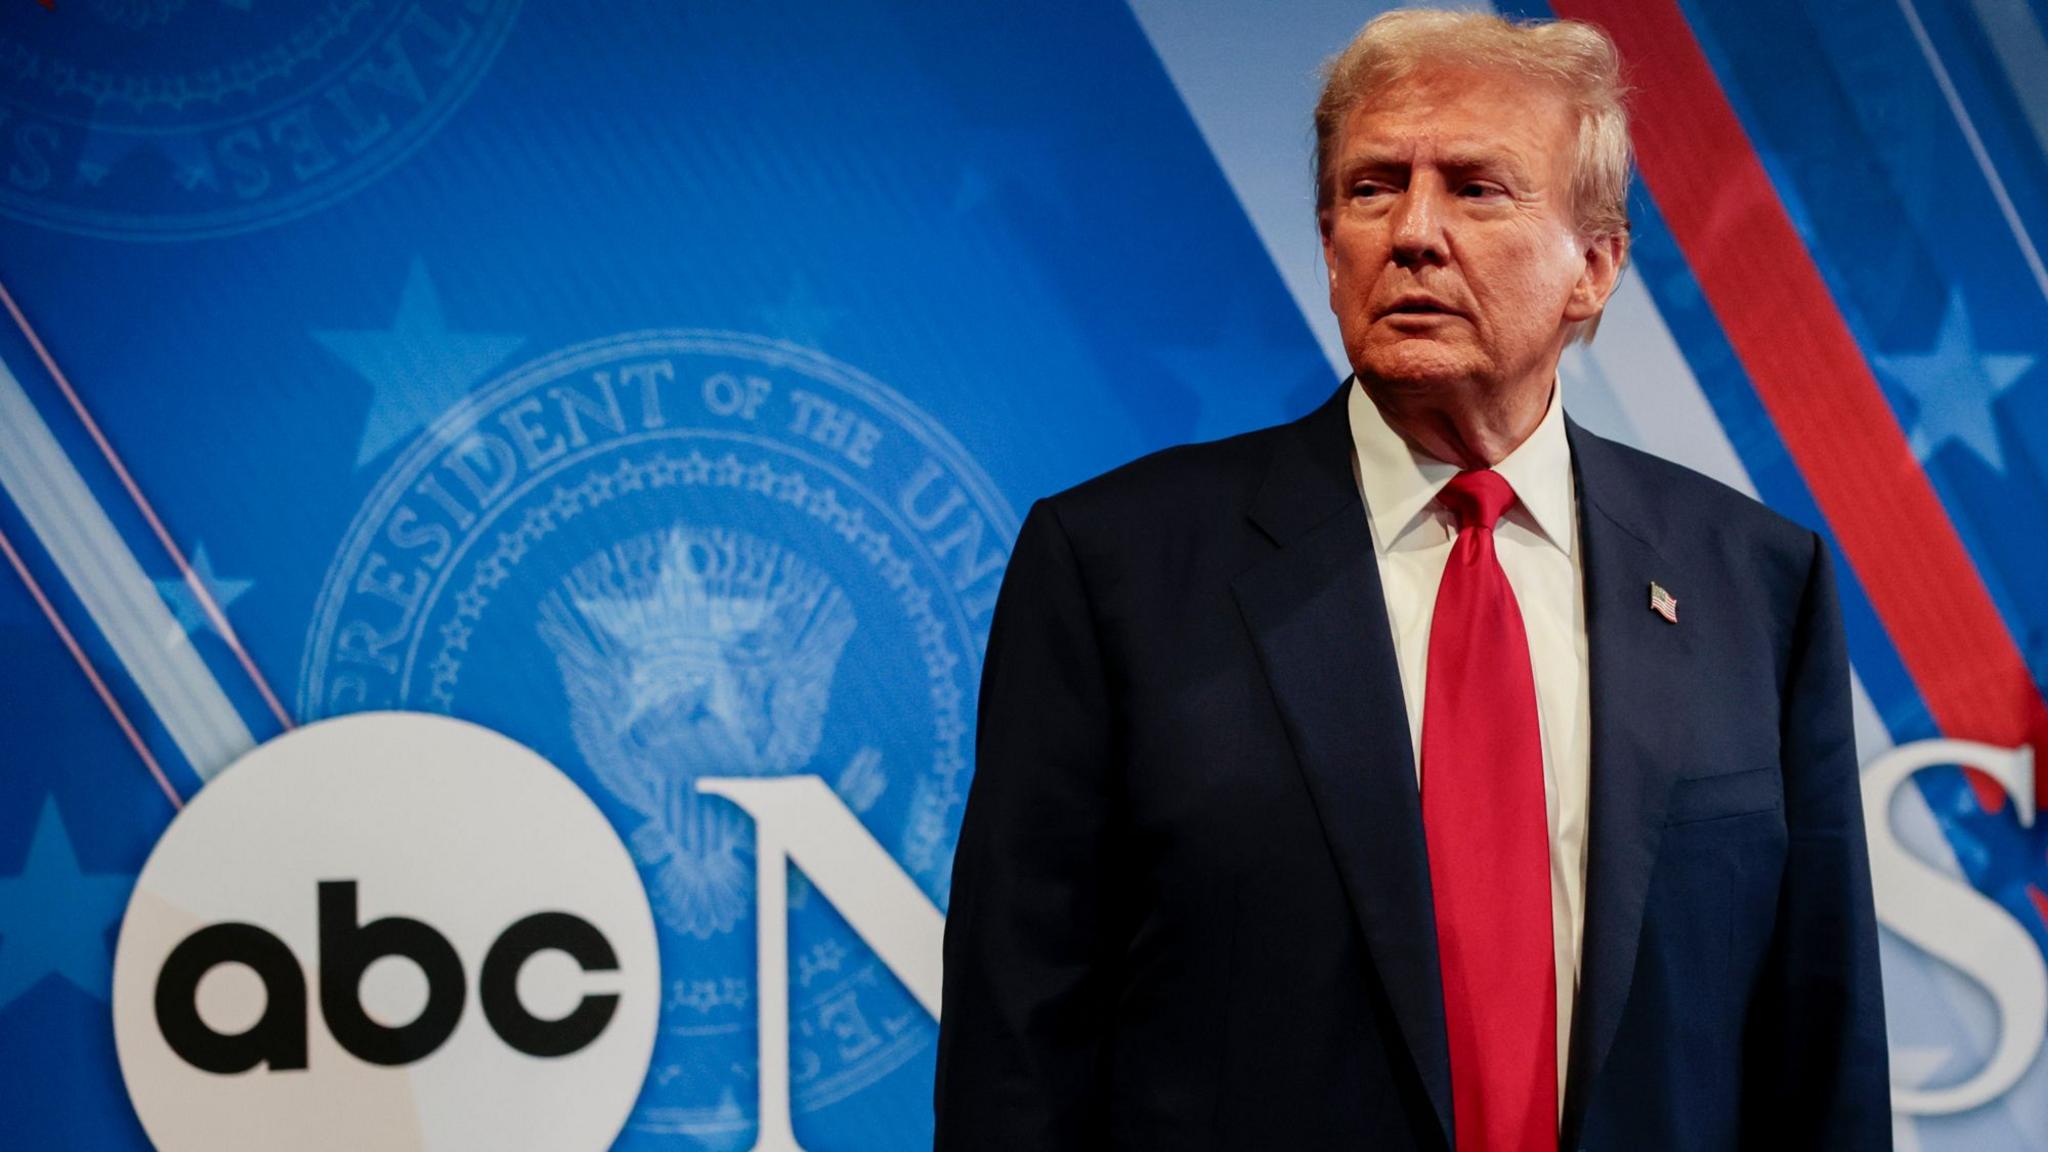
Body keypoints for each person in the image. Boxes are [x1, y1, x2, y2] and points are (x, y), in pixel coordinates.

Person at [934, 9, 1889, 1152]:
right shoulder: (1114, 570)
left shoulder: (1753, 580)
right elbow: (1016, 1048)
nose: (1413, 232)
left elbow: (1817, 1046)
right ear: (1329, 239)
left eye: (1477, 189)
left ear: (1593, 267)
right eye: (1372, 187)